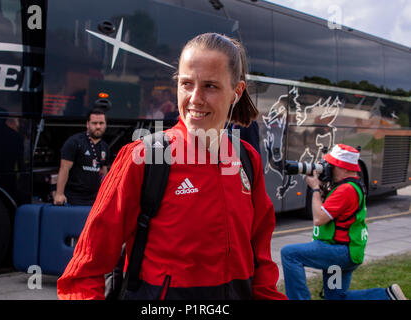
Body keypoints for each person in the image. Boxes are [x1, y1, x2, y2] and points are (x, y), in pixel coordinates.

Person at [57, 33, 287, 300]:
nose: (195, 98)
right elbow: (83, 273)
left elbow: (262, 266)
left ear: (237, 92)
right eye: (186, 83)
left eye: (210, 86)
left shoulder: (247, 160)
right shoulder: (144, 157)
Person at [281, 144, 407, 300]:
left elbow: (319, 219)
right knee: (335, 297)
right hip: (346, 252)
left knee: (290, 254)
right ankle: (386, 296)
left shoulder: (346, 189)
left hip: (339, 252)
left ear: (346, 169)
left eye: (333, 165)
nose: (328, 168)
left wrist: (314, 189)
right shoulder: (349, 186)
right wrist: (321, 189)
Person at [53, 108, 110, 206]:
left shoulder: (105, 147)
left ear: (105, 125)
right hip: (75, 199)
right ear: (87, 124)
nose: (98, 126)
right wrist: (59, 194)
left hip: (95, 200)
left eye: (101, 123)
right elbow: (64, 168)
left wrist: (107, 196)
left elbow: (104, 173)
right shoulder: (75, 142)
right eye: (94, 123)